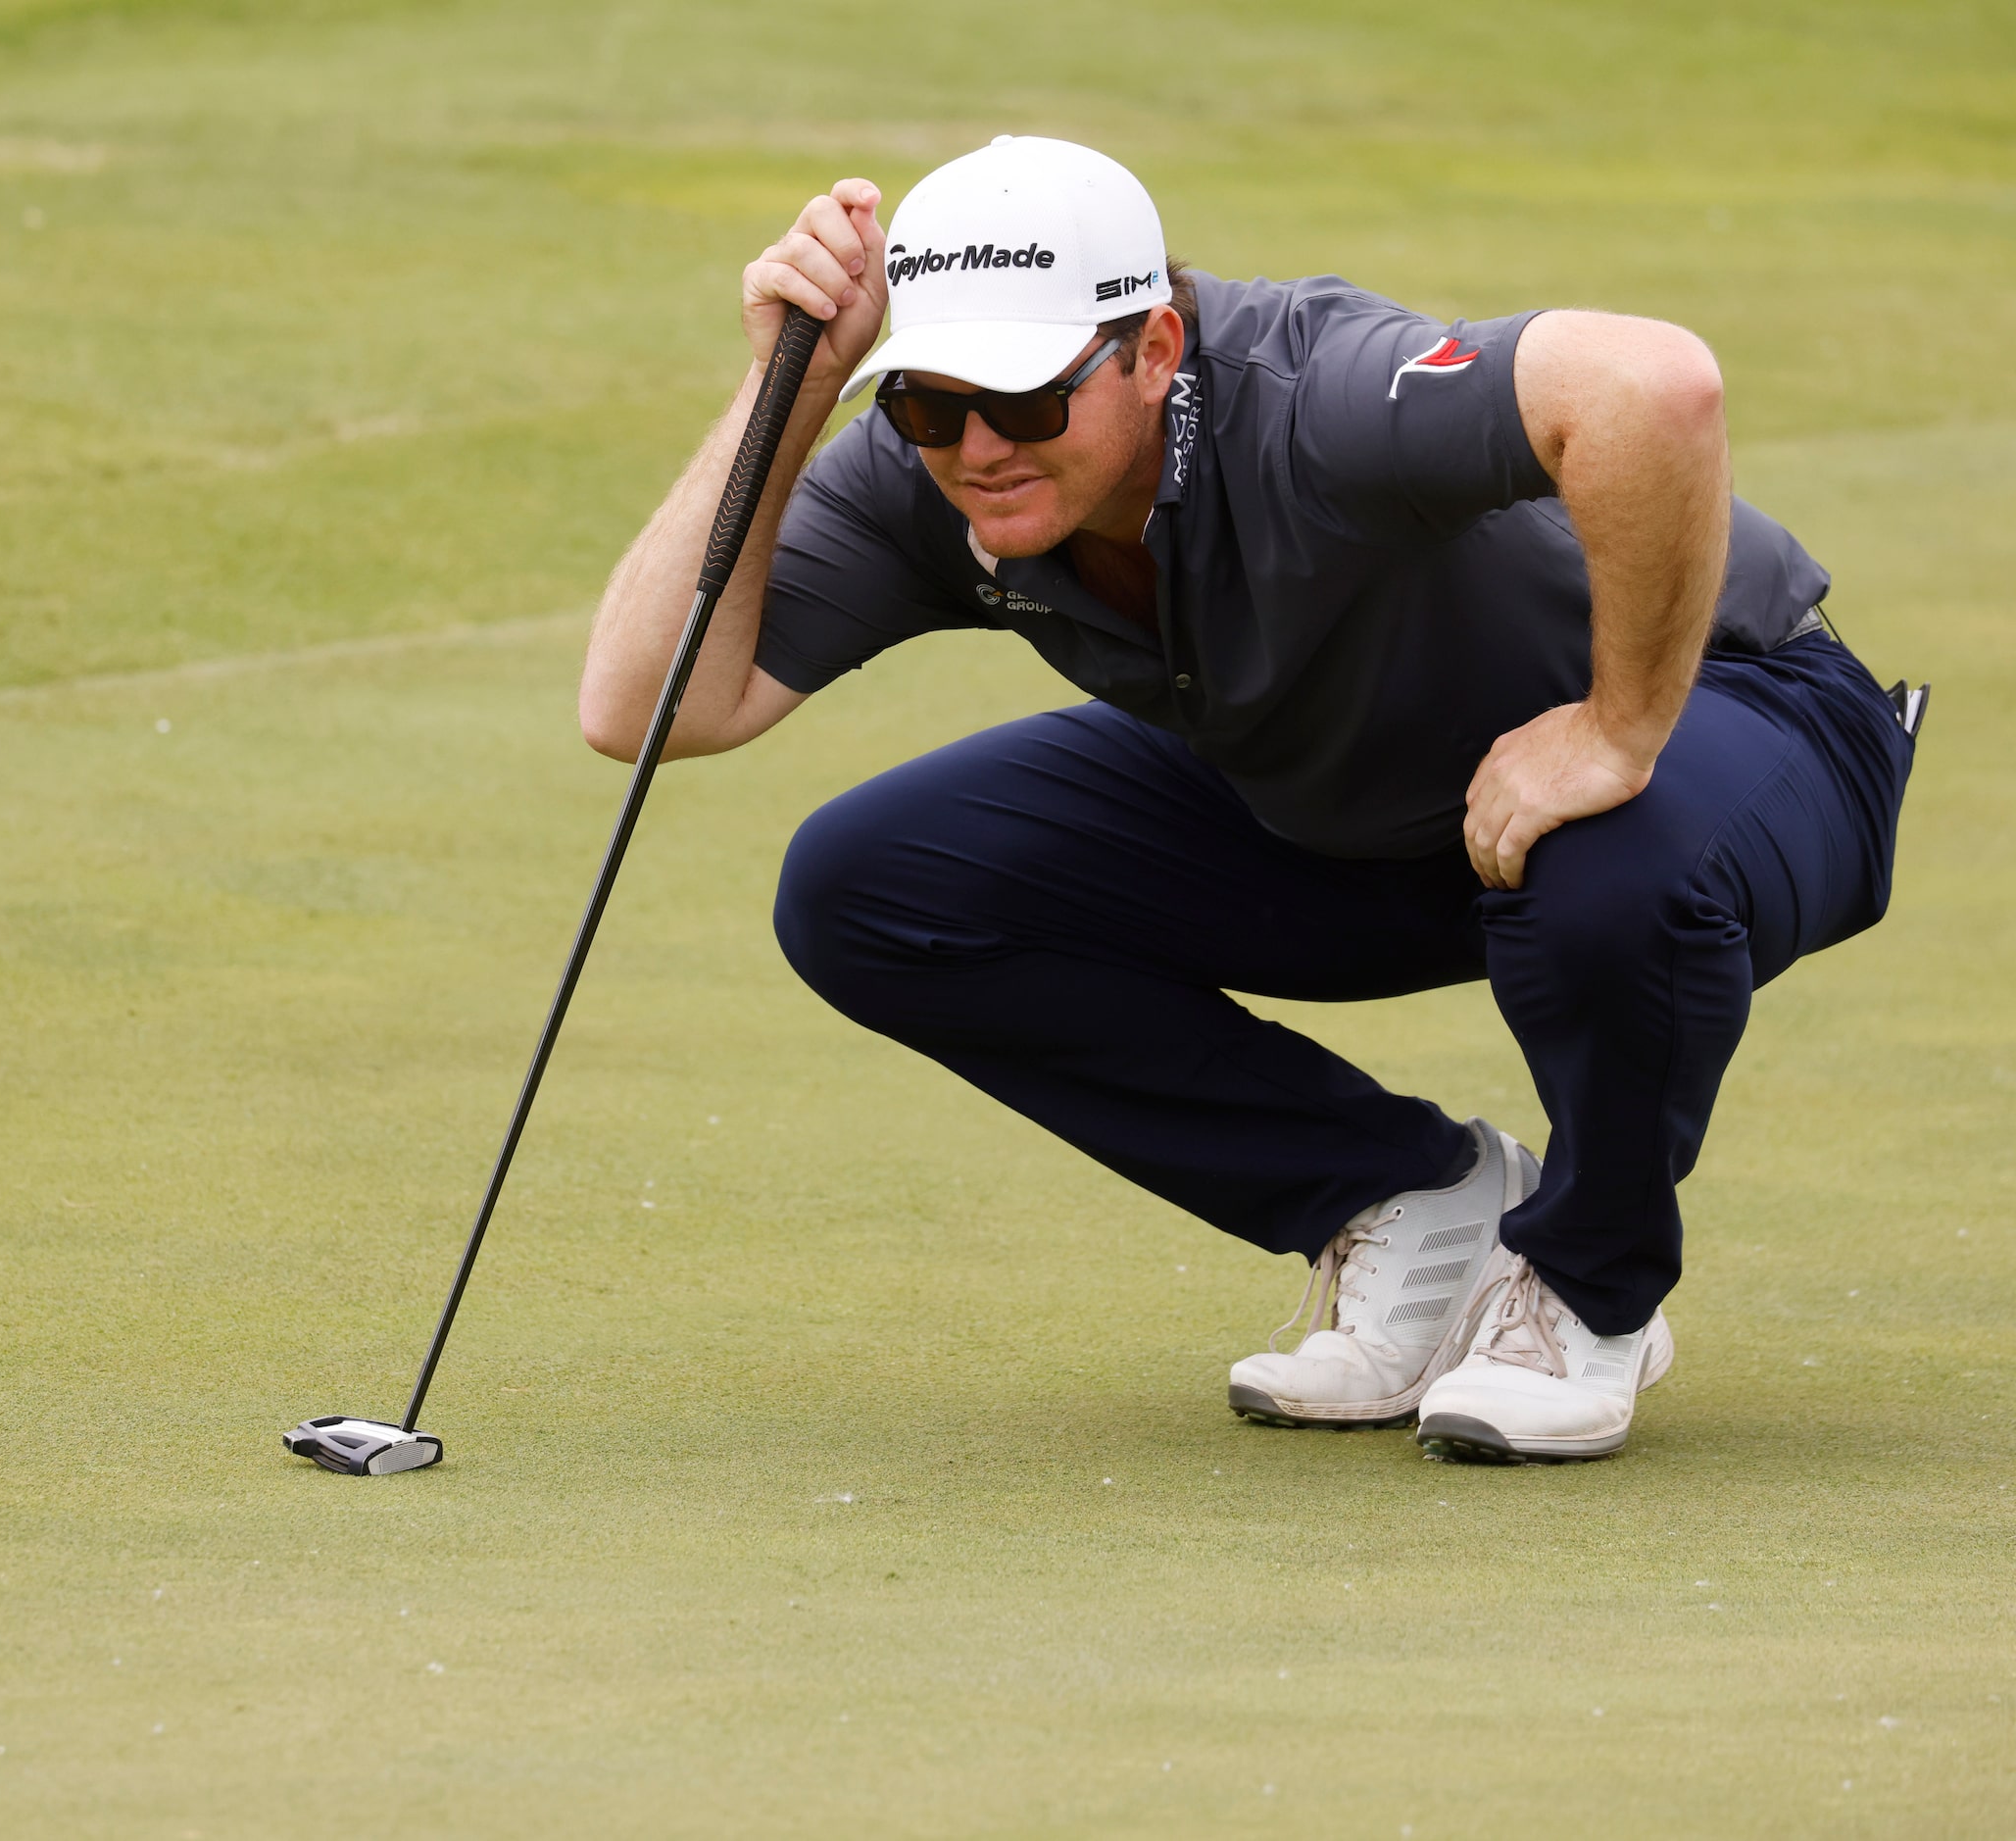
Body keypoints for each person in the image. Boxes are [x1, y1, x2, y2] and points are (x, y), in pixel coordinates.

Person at [580, 136, 1915, 1464]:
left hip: (1745, 722)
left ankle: (1586, 1288)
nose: (977, 445)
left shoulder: (1316, 396)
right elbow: (646, 708)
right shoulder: (936, 478)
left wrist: (1620, 729)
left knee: (1610, 872)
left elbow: (1654, 386)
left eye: (1027, 399)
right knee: (869, 888)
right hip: (1374, 802)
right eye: (928, 401)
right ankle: (1410, 1197)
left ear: (1156, 348)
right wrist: (786, 389)